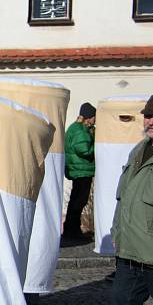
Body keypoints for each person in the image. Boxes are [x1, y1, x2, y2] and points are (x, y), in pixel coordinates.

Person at [92, 94, 153, 305]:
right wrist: (117, 233)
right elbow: (126, 198)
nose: (150, 121)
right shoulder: (139, 150)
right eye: (148, 116)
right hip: (131, 251)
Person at [63, 102, 96, 240]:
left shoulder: (77, 128)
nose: (95, 120)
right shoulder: (79, 130)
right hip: (81, 170)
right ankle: (72, 231)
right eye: (94, 117)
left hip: (79, 169)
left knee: (76, 200)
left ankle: (72, 230)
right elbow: (84, 150)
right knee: (79, 201)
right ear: (88, 117)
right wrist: (97, 146)